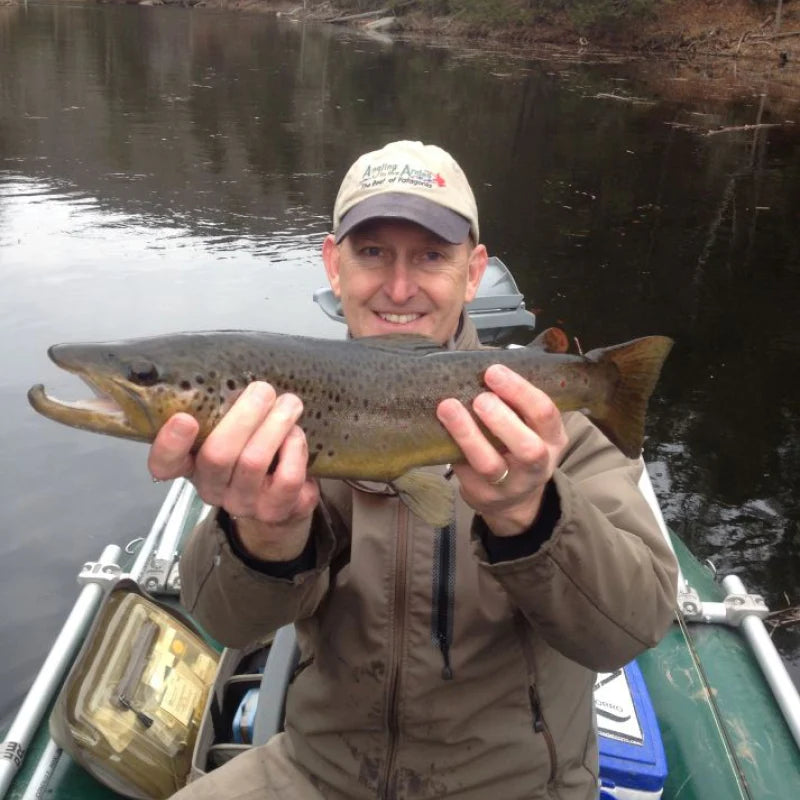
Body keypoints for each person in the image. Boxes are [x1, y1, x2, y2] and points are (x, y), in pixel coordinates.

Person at [149, 140, 678, 800]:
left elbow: (630, 630)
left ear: (474, 271)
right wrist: (263, 536)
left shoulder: (554, 427)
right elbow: (227, 627)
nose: (399, 289)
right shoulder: (278, 419)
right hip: (319, 773)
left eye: (430, 256)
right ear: (333, 265)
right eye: (372, 252)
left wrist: (532, 516)